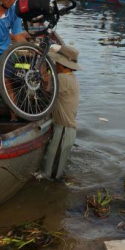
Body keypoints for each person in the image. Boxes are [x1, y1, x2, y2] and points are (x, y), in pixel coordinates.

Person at [42, 44, 81, 180]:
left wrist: (43, 71)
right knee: (55, 167)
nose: (55, 64)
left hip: (64, 129)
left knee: (51, 174)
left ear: (63, 65)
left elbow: (45, 93)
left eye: (57, 62)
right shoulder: (70, 78)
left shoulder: (61, 79)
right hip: (65, 129)